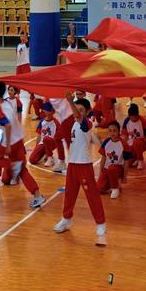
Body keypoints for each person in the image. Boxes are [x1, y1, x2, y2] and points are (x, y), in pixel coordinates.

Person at [53, 94, 107, 246]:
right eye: (77, 110)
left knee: (92, 196)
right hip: (73, 165)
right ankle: (66, 219)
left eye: (82, 110)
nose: (78, 112)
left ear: (87, 111)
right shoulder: (73, 124)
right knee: (69, 194)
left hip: (84, 165)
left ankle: (101, 223)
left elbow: (79, 119)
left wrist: (70, 101)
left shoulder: (87, 123)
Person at [0, 81, 45, 209]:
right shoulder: (8, 103)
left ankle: (12, 166)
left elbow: (7, 125)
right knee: (22, 170)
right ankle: (37, 195)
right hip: (19, 140)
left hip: (10, 143)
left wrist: (7, 145)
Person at [97, 120, 129, 199]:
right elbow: (103, 158)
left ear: (119, 131)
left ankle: (115, 188)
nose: (112, 133)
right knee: (98, 189)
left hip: (118, 169)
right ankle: (111, 183)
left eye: (114, 131)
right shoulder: (106, 142)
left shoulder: (124, 143)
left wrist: (124, 177)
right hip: (107, 169)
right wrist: (101, 172)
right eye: (110, 131)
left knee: (111, 167)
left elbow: (126, 161)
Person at [29, 102, 60, 167]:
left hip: (52, 143)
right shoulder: (42, 121)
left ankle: (50, 158)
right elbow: (39, 136)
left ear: (53, 112)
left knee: (46, 138)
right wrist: (36, 148)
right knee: (32, 160)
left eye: (50, 111)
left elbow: (59, 138)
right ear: (44, 111)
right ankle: (45, 152)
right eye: (47, 111)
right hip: (43, 143)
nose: (49, 113)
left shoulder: (56, 123)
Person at [121, 102, 146, 169]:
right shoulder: (126, 121)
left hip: (141, 143)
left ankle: (140, 161)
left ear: (137, 114)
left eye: (134, 116)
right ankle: (136, 157)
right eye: (131, 116)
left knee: (137, 142)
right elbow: (124, 136)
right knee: (128, 163)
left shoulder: (143, 121)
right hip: (130, 145)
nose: (133, 118)